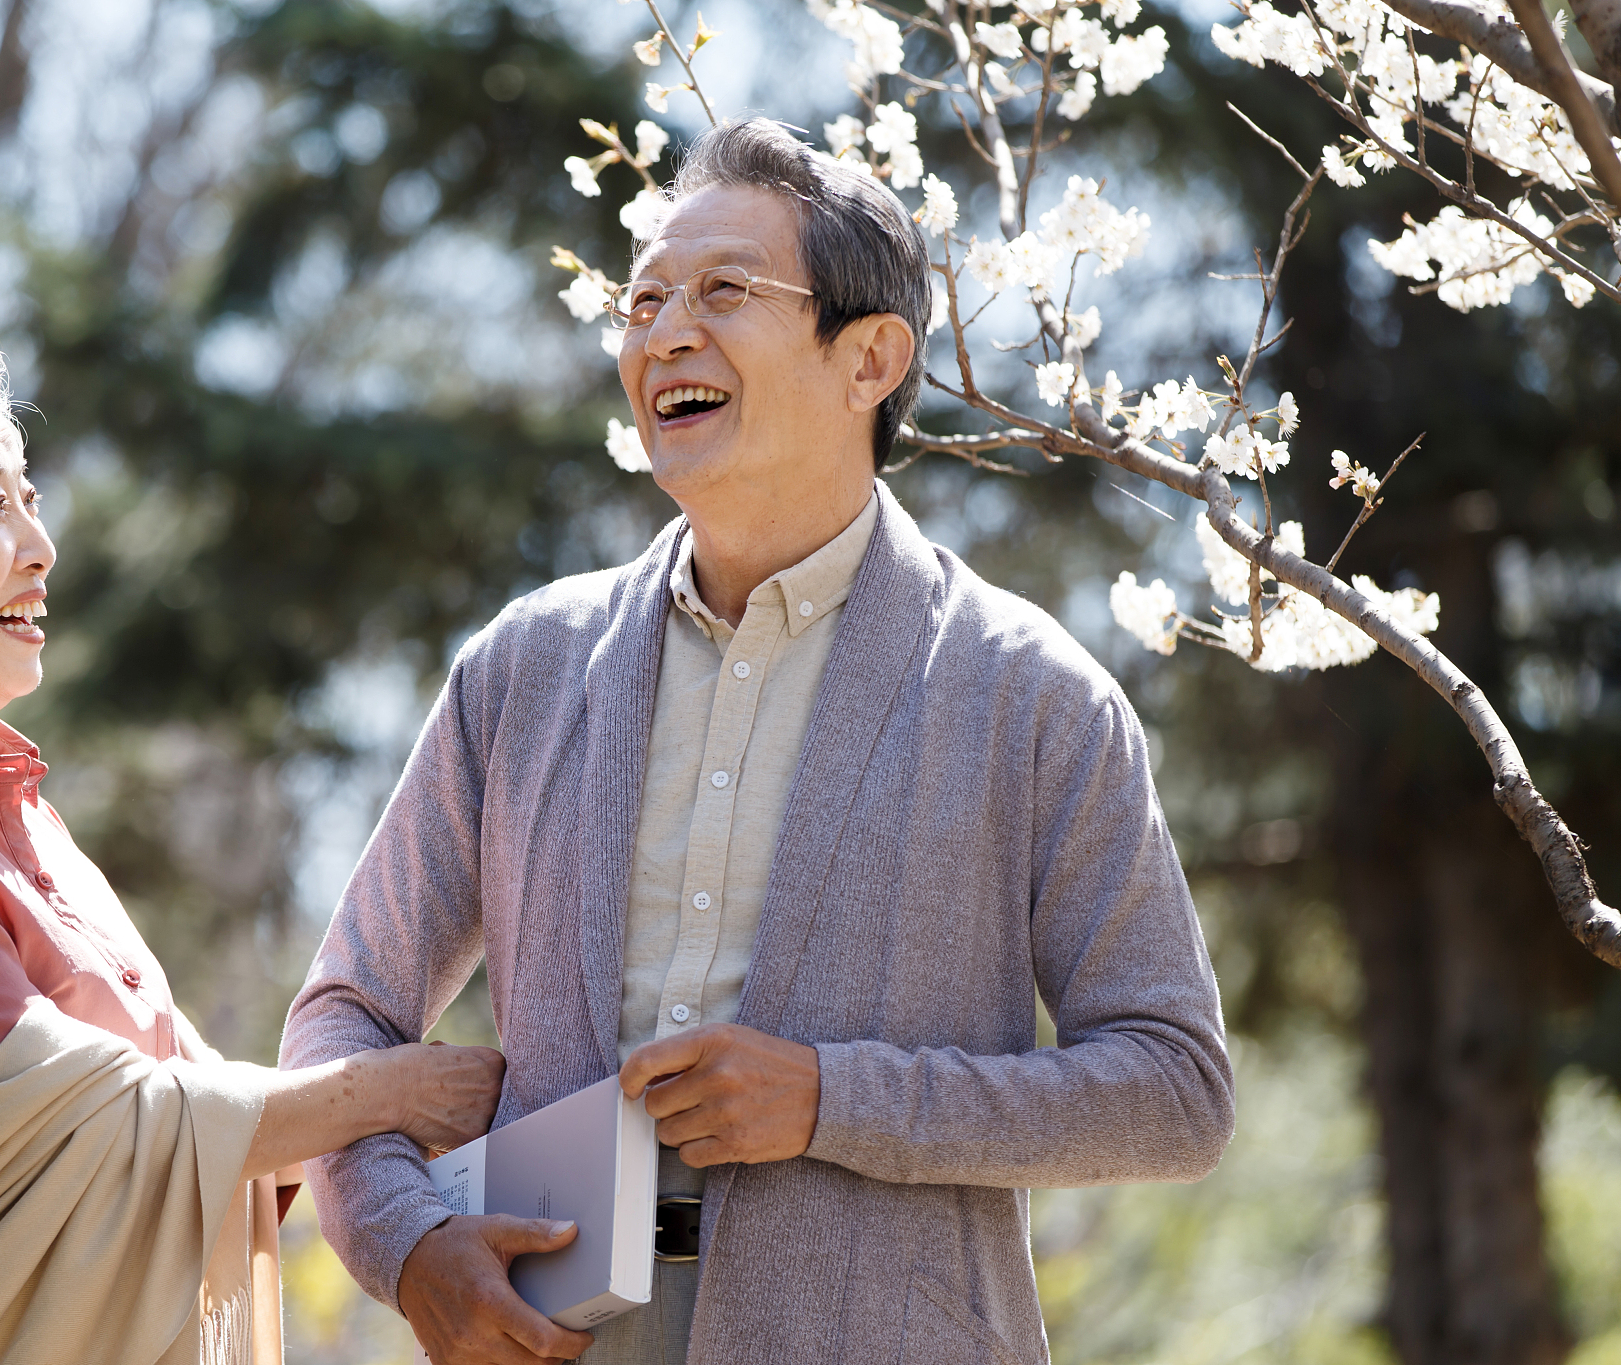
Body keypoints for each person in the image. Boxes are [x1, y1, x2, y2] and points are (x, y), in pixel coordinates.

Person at [279, 119, 1235, 1365]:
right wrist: (406, 1245)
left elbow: (1173, 1093)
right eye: (644, 299)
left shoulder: (1029, 695)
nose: (663, 332)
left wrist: (836, 1101)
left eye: (722, 290)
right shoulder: (523, 668)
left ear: (869, 358)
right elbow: (344, 1013)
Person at [0, 305, 506, 1365]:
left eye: (30, 498)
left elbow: (211, 1126)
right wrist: (392, 1091)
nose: (40, 545)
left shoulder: (13, 810)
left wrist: (397, 1168)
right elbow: (107, 1125)